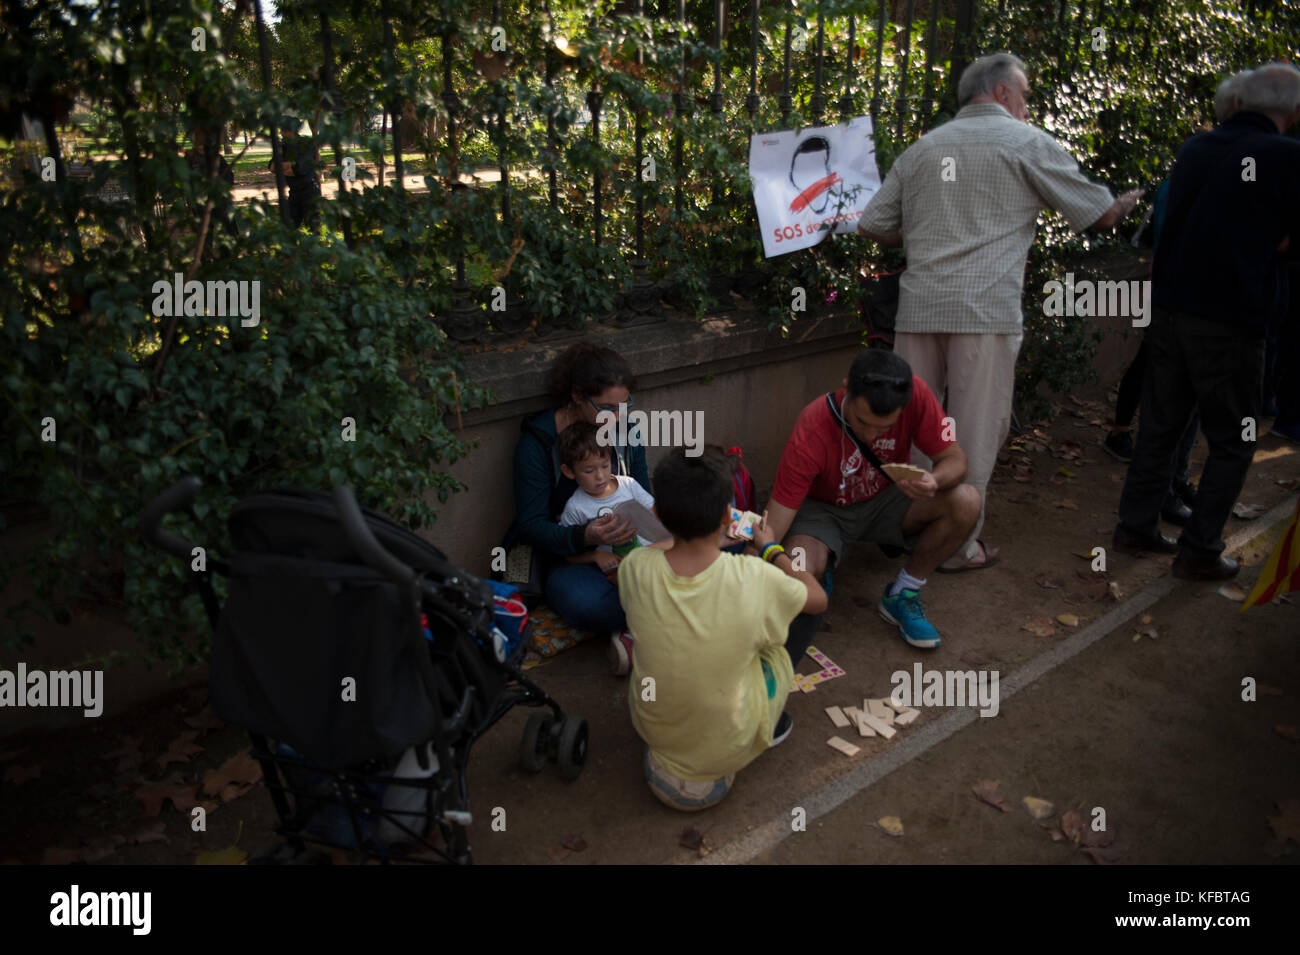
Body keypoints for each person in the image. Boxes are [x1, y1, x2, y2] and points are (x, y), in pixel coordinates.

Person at [858, 52, 1143, 571]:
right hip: (983, 313)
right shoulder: (1026, 143)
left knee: (913, 426)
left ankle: (906, 528)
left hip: (919, 308)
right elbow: (1097, 214)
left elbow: (873, 223)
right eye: (1027, 96)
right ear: (1005, 92)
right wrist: (1123, 204)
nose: (1028, 107)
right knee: (972, 433)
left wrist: (923, 229)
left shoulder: (925, 147)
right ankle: (955, 546)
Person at [1115, 63, 1300, 580]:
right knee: (1236, 439)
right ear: (1294, 111)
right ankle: (1198, 551)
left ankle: (1135, 525)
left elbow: (1175, 222)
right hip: (1233, 320)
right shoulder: (1286, 156)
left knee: (1160, 425)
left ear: (1239, 103)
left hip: (1173, 312)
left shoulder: (1196, 148)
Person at [619, 447, 826, 811]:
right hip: (727, 746)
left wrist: (708, 537)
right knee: (797, 610)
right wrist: (771, 549)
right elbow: (817, 598)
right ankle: (769, 721)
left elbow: (659, 549)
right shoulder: (756, 577)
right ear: (728, 515)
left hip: (654, 730)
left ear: (656, 513)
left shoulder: (634, 566)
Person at [1103, 69, 1256, 517]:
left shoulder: (1200, 159)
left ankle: (1170, 485)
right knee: (1166, 392)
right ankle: (1154, 475)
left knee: (1167, 396)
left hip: (1175, 295)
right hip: (1183, 299)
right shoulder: (1206, 164)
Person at [763, 349, 979, 651]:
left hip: (887, 499)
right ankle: (818, 573)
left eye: (885, 427)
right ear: (845, 389)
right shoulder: (813, 424)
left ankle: (903, 593)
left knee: (967, 500)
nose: (871, 435)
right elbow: (777, 518)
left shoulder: (917, 394)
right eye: (862, 422)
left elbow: (955, 460)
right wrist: (756, 566)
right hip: (823, 512)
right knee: (796, 563)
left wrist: (934, 481)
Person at [505, 342, 646, 647]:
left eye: (623, 407)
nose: (617, 418)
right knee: (587, 603)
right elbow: (532, 525)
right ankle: (665, 608)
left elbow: (645, 496)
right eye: (607, 409)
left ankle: (646, 610)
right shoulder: (538, 443)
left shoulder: (626, 432)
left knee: (717, 546)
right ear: (577, 396)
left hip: (633, 548)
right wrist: (586, 537)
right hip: (573, 559)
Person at [555, 420, 670, 675]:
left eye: (605, 466)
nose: (599, 476)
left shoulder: (628, 485)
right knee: (639, 586)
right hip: (618, 568)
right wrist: (595, 554)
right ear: (569, 471)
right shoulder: (576, 507)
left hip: (652, 551)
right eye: (588, 470)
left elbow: (654, 516)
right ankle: (638, 638)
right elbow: (566, 553)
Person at [270, 120, 321, 228]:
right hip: (293, 192)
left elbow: (297, 170)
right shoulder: (282, 146)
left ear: (290, 131)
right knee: (289, 226)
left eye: (283, 130)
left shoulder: (306, 145)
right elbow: (272, 167)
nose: (281, 133)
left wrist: (282, 167)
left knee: (314, 228)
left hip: (309, 192)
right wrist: (289, 165)